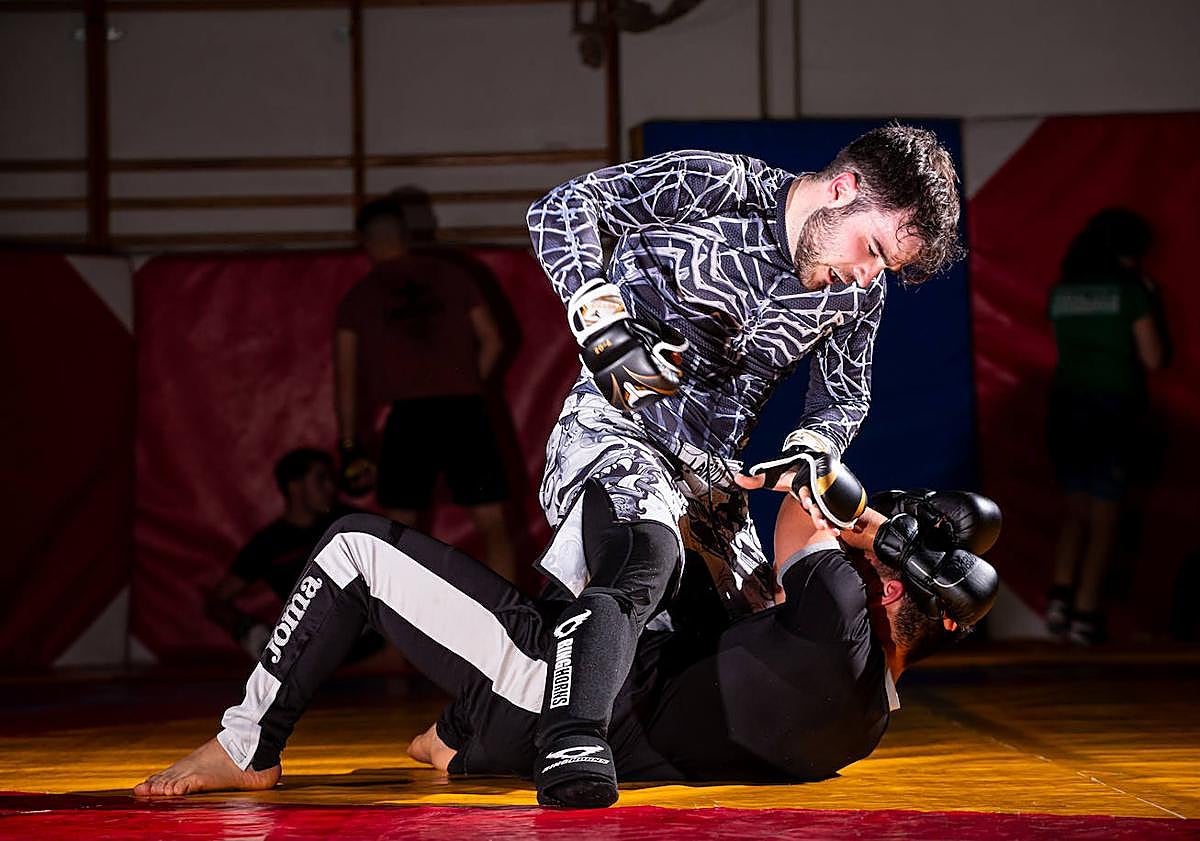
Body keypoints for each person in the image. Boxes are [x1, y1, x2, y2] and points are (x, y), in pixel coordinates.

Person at [523, 126, 963, 803]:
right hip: (618, 429)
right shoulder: (720, 184)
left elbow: (844, 399)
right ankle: (570, 741)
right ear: (842, 189)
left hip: (713, 478)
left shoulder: (859, 294)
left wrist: (813, 449)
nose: (869, 273)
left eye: (887, 268)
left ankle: (503, 724)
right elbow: (560, 209)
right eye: (872, 248)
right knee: (650, 548)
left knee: (749, 636)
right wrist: (600, 318)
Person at [132, 481, 999, 802]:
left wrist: (886, 525)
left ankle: (248, 746)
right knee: (654, 565)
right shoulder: (865, 719)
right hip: (611, 725)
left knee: (353, 546)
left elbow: (808, 503)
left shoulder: (844, 608)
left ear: (889, 585)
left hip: (566, 686)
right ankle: (460, 736)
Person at [334, 194, 517, 582]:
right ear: (408, 234)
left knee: (398, 532)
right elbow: (495, 340)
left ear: (364, 242)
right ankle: (515, 634)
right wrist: (467, 383)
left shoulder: (359, 298)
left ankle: (400, 641)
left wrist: (349, 444)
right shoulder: (452, 275)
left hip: (410, 418)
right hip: (464, 409)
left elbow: (346, 379)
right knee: (492, 522)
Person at [1044, 208, 1166, 645]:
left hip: (1067, 408)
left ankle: (1058, 602)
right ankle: (1086, 614)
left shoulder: (1062, 292)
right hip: (1113, 410)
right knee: (1105, 516)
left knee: (1075, 510)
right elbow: (1153, 357)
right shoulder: (1131, 291)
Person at [205, 448, 383, 662]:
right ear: (294, 486)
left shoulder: (349, 522)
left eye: (331, 479)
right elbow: (216, 602)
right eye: (321, 479)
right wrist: (252, 633)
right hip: (309, 652)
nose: (330, 487)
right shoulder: (268, 543)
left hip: (373, 641)